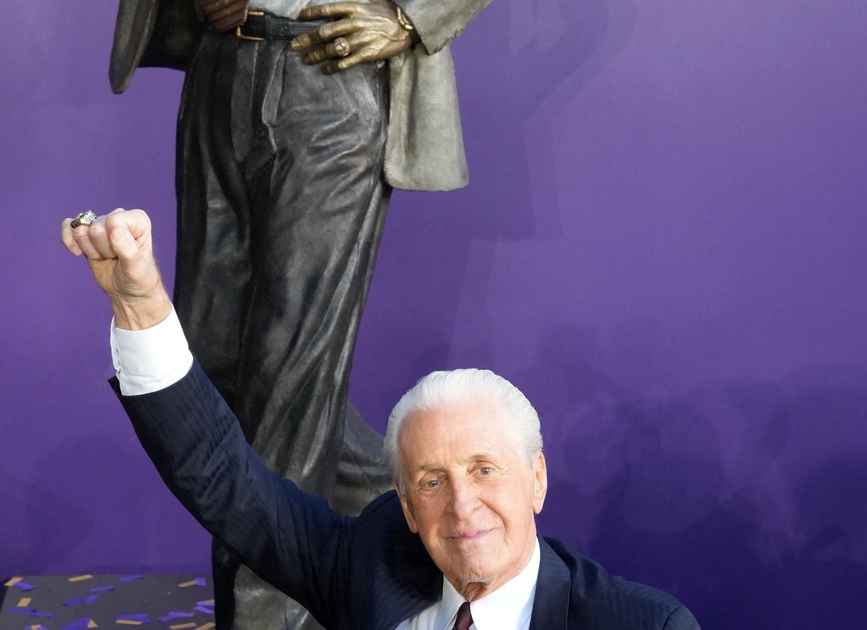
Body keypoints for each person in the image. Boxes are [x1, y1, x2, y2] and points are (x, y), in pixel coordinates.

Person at [61, 209, 702, 629]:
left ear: (536, 479)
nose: (462, 506)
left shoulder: (641, 624)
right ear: (405, 503)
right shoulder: (370, 564)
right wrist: (139, 305)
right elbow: (225, 481)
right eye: (431, 481)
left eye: (485, 470)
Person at [108, 2, 490, 625]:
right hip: (219, 66)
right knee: (217, 370)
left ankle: (264, 618)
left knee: (287, 381)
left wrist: (411, 18)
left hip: (329, 75)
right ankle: (418, 524)